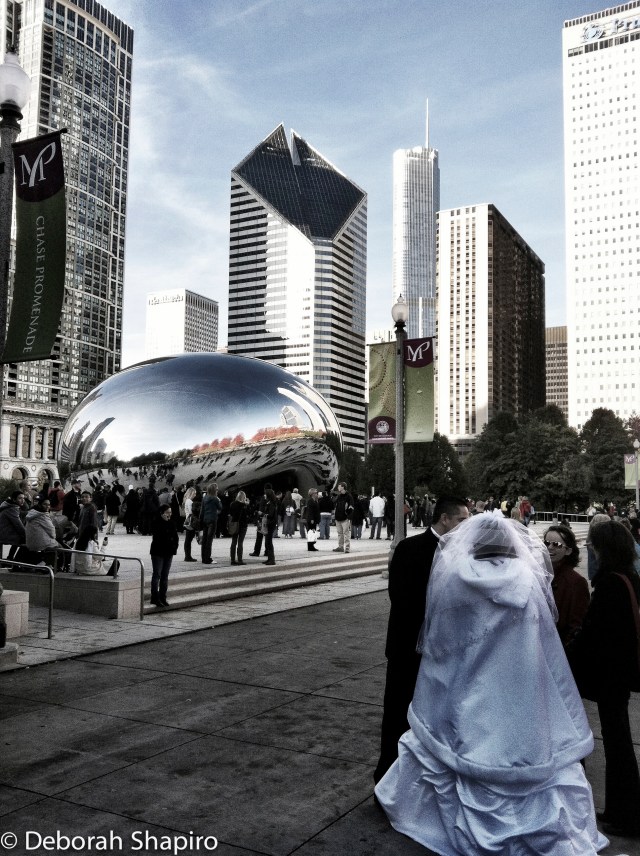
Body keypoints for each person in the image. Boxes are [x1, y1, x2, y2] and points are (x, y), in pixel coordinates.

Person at [376, 514, 607, 855]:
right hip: (517, 681)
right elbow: (542, 637)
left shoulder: (454, 576)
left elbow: (441, 636)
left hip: (467, 681)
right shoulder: (527, 579)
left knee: (458, 746)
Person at [374, 496, 470, 784]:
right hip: (407, 649)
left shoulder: (463, 553)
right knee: (397, 714)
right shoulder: (410, 548)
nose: (467, 527)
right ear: (445, 519)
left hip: (443, 651)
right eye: (462, 520)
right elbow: (400, 598)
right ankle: (387, 778)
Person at [567, 519, 640, 838]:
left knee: (618, 743)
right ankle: (622, 810)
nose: (590, 551)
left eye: (593, 545)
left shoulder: (610, 583)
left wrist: (568, 652)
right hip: (623, 673)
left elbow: (597, 633)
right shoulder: (630, 577)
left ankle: (626, 814)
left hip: (612, 675)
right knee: (618, 741)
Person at [543, 523, 590, 647]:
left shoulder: (576, 582)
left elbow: (576, 627)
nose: (550, 547)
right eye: (546, 543)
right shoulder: (541, 575)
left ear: (568, 550)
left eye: (557, 544)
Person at [149, 504, 179, 607]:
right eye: (167, 513)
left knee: (165, 576)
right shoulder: (156, 523)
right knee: (157, 574)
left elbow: (175, 537)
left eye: (170, 513)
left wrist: (174, 548)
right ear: (161, 513)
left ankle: (163, 597)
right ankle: (154, 597)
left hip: (169, 552)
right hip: (158, 552)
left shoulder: (172, 523)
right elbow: (158, 537)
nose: (169, 515)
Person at [25, 497, 61, 566]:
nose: (47, 506)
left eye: (49, 505)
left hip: (30, 541)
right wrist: (54, 537)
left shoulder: (32, 513)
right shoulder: (43, 515)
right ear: (40, 505)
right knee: (59, 548)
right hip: (40, 543)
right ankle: (43, 565)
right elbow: (51, 530)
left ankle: (44, 564)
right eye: (45, 504)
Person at [0, 491, 26, 561]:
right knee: (27, 540)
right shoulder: (12, 509)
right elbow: (18, 525)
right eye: (20, 498)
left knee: (21, 537)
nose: (23, 500)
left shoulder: (7, 505)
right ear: (14, 500)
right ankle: (16, 562)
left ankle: (10, 558)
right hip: (4, 535)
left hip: (4, 532)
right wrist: (27, 534)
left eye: (23, 498)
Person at [200, 483, 222, 565]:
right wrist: (219, 500)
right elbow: (220, 507)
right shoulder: (215, 499)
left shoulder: (205, 498)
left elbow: (202, 511)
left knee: (204, 540)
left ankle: (203, 558)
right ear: (214, 490)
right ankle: (208, 559)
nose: (217, 490)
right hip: (212, 520)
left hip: (205, 520)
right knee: (209, 540)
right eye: (216, 489)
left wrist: (201, 520)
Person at [229, 490, 249, 565]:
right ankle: (240, 559)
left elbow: (230, 514)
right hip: (243, 525)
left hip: (234, 524)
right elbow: (247, 515)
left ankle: (232, 560)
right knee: (240, 542)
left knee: (233, 542)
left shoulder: (232, 504)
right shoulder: (244, 505)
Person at [333, 482, 354, 553]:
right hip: (338, 517)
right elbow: (335, 505)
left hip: (345, 518)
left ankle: (347, 547)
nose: (338, 488)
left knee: (346, 533)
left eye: (339, 486)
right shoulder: (339, 496)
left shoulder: (349, 496)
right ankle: (340, 546)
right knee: (340, 533)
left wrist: (347, 514)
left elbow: (351, 506)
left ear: (343, 487)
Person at [262, 487, 278, 566]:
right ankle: (269, 558)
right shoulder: (270, 502)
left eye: (265, 494)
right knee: (267, 542)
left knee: (269, 542)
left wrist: (262, 514)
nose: (264, 495)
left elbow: (271, 515)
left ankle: (272, 559)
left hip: (270, 524)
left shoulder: (271, 503)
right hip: (271, 524)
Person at [182, 487, 198, 561]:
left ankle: (187, 556)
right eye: (194, 493)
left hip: (188, 520)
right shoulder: (189, 501)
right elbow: (191, 512)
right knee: (188, 540)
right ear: (191, 493)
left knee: (188, 540)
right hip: (191, 521)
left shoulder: (187, 500)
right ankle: (188, 556)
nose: (195, 495)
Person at [305, 488, 320, 552]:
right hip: (311, 519)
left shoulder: (315, 500)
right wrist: (311, 519)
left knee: (313, 532)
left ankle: (312, 545)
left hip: (314, 519)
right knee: (311, 532)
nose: (317, 494)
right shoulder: (310, 501)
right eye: (316, 493)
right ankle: (310, 546)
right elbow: (310, 511)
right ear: (312, 494)